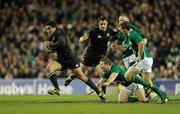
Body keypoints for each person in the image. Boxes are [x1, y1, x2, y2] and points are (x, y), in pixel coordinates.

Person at [42, 20, 105, 102]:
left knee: (82, 77)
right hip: (61, 60)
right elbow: (57, 47)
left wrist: (51, 45)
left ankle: (99, 93)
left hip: (70, 59)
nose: (48, 31)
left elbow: (61, 42)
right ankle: (57, 89)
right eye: (46, 29)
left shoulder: (59, 32)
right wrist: (51, 50)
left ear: (54, 28)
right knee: (49, 68)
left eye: (49, 28)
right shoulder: (52, 37)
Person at [64, 16, 116, 93]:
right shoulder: (93, 31)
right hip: (90, 55)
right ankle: (71, 77)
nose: (102, 26)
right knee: (81, 72)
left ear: (107, 23)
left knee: (102, 74)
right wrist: (82, 39)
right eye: (101, 24)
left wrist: (112, 43)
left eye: (104, 24)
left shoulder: (110, 31)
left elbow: (117, 36)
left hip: (100, 57)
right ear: (98, 23)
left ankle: (103, 95)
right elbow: (82, 39)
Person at [119, 21, 168, 103]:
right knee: (148, 82)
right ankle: (163, 97)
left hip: (143, 60)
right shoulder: (128, 36)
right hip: (148, 60)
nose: (120, 30)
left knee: (127, 76)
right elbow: (127, 46)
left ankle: (142, 89)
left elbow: (141, 43)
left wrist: (138, 55)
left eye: (121, 29)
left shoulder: (133, 34)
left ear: (124, 29)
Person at [97, 58, 168, 103]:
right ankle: (140, 97)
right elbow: (100, 82)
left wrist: (108, 82)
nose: (100, 66)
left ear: (107, 64)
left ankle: (162, 95)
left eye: (101, 64)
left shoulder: (115, 68)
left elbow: (113, 77)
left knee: (144, 97)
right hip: (127, 86)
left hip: (134, 82)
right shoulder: (106, 73)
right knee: (121, 101)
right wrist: (96, 89)